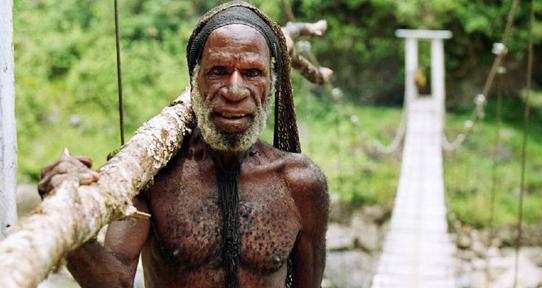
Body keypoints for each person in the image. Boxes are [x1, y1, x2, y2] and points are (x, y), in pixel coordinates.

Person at [38, 2, 329, 287]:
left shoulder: (300, 183)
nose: (235, 90)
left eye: (253, 73)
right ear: (195, 81)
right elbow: (115, 281)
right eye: (218, 71)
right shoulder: (153, 177)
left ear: (271, 82)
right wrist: (67, 209)